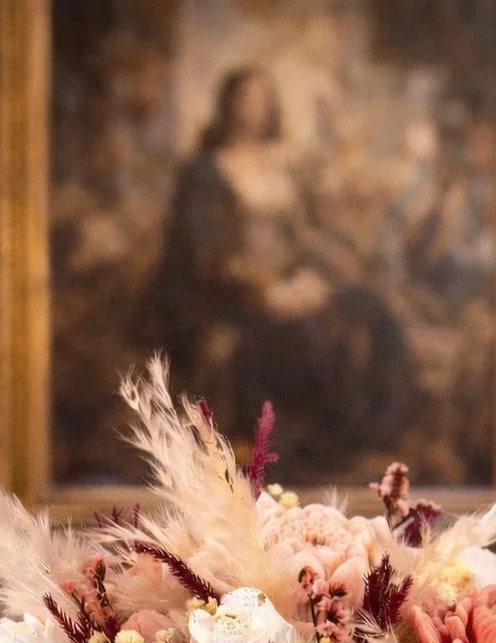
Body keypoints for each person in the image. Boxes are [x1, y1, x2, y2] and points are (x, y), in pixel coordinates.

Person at [143, 67, 410, 475]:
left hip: (288, 282)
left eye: (265, 99)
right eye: (247, 99)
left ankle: (376, 431)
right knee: (310, 335)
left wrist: (316, 275)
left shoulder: (281, 164)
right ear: (228, 105)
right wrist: (267, 288)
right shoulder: (205, 171)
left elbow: (301, 233)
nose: (256, 109)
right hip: (226, 296)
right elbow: (205, 254)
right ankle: (313, 448)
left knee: (371, 309)